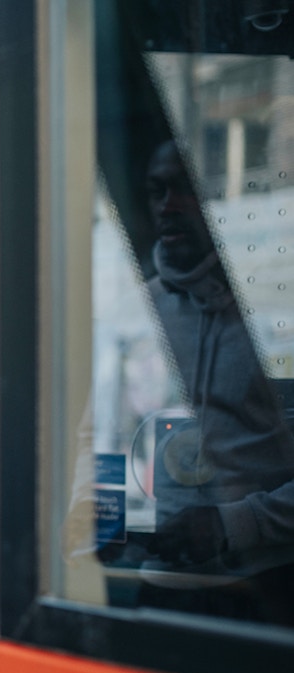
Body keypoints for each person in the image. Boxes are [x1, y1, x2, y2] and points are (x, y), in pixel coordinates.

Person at [135, 140, 294, 625]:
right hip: (155, 583)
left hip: (271, 585)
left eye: (185, 189)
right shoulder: (136, 309)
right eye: (157, 191)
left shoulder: (276, 310)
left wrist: (234, 525)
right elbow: (86, 440)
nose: (169, 205)